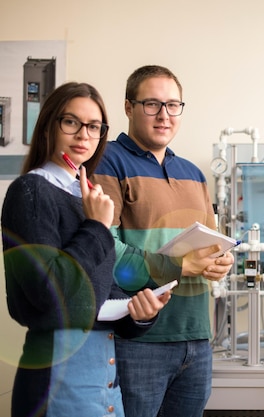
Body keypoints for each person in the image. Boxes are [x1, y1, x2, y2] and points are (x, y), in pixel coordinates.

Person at [1, 82, 171, 417]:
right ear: (49, 124)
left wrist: (139, 312)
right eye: (71, 122)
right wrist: (96, 227)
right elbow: (49, 293)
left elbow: (98, 291)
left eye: (94, 126)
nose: (84, 135)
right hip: (59, 377)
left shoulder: (87, 197)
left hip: (104, 376)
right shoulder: (31, 192)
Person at [91, 65, 234, 417]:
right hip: (139, 339)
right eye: (152, 104)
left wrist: (221, 263)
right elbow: (104, 249)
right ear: (128, 107)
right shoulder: (106, 161)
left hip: (197, 336)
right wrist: (177, 265)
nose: (164, 115)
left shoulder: (194, 174)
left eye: (173, 105)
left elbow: (210, 247)